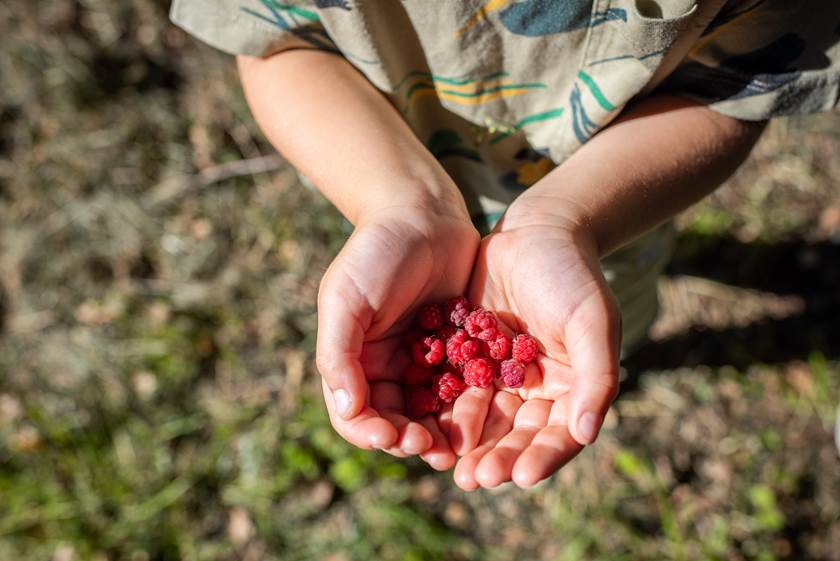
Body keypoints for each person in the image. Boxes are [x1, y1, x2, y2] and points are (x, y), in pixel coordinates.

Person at [171, 0, 840, 490]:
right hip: (387, 156)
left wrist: (566, 219)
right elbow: (274, 42)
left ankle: (628, 348)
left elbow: (735, 90)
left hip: (614, 207)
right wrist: (399, 204)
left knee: (608, 326)